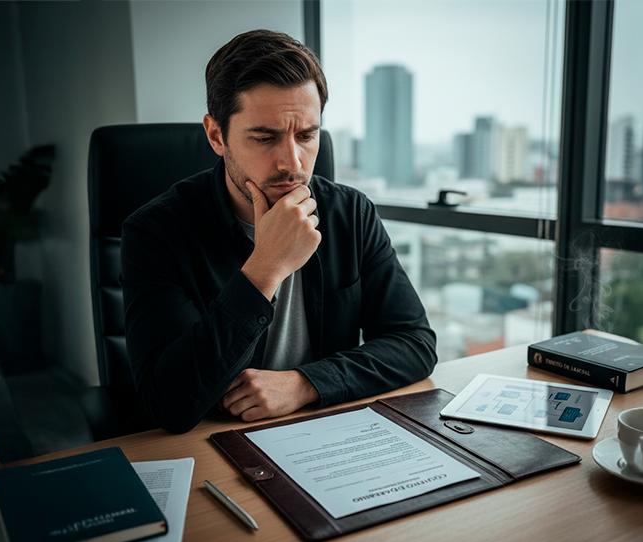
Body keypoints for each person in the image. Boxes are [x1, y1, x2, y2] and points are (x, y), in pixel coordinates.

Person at [120, 30, 436, 433]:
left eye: (307, 136)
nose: (293, 162)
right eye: (265, 137)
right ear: (217, 135)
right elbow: (169, 404)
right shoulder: (156, 232)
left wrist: (304, 384)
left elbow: (414, 343)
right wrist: (265, 268)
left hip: (318, 429)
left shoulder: (350, 213)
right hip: (208, 442)